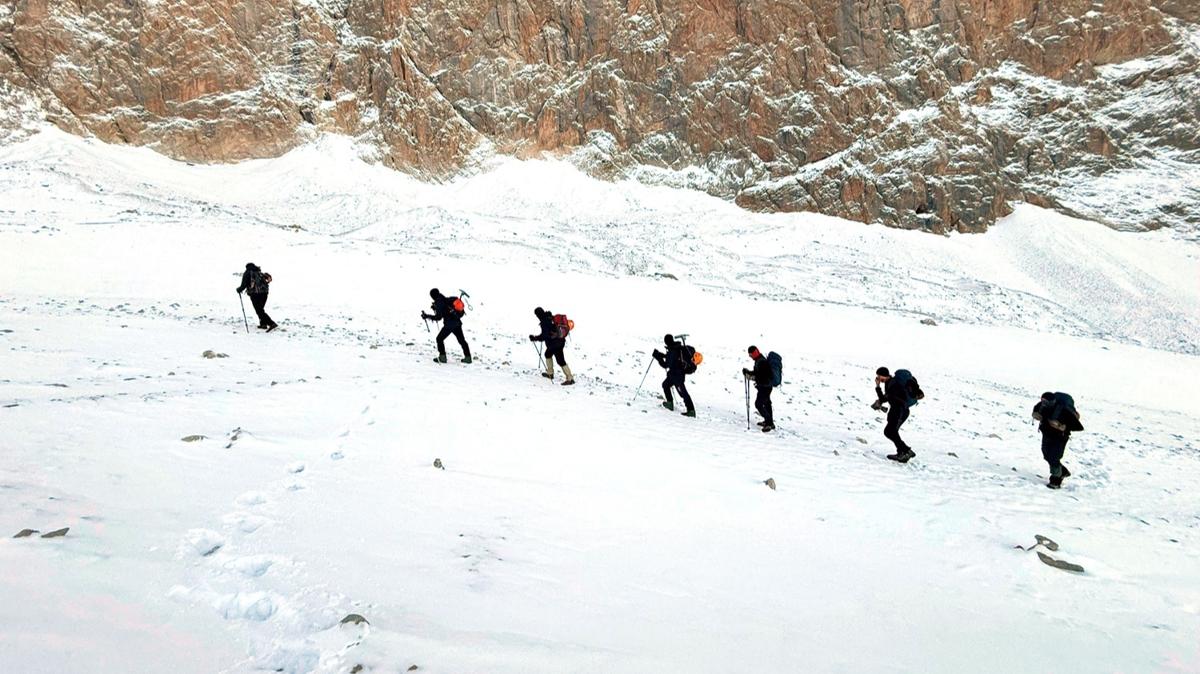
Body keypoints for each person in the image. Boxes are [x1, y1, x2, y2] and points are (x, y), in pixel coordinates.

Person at [1033, 391, 1083, 489]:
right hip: (1047, 433)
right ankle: (1062, 471)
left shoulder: (1064, 410)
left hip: (1060, 437)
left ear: (1053, 401)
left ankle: (1056, 480)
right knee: (1046, 454)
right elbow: (1036, 410)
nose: (1044, 403)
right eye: (1043, 401)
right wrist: (1035, 414)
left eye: (1046, 402)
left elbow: (1076, 426)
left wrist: (1061, 426)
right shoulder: (1042, 405)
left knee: (1054, 456)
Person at [874, 367, 915, 462]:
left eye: (879, 376)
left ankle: (906, 451)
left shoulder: (894, 384)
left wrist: (883, 397)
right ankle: (902, 452)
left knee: (890, 431)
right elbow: (885, 398)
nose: (878, 378)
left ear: (884, 375)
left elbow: (887, 398)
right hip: (898, 410)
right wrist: (878, 387)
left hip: (899, 411)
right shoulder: (890, 383)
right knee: (891, 432)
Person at [422, 288, 472, 364]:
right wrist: (436, 308)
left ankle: (442, 357)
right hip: (457, 322)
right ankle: (468, 358)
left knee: (439, 339)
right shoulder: (444, 298)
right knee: (462, 340)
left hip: (449, 325)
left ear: (432, 296)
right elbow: (445, 310)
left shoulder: (439, 302)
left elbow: (438, 317)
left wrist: (427, 316)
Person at [529, 307, 574, 385]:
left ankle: (568, 378)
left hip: (555, 344)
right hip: (560, 341)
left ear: (538, 314)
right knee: (550, 355)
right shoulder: (550, 317)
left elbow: (545, 335)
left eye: (536, 314)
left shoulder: (544, 321)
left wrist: (535, 338)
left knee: (558, 359)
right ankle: (552, 373)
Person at [653, 334, 695, 417]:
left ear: (666, 341)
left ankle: (691, 411)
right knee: (665, 385)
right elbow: (671, 359)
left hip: (677, 377)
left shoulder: (673, 350)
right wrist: (661, 355)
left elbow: (666, 365)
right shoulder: (675, 347)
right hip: (674, 375)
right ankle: (669, 403)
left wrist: (658, 358)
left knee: (683, 393)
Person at [236, 262, 277, 332]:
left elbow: (244, 284)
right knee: (261, 309)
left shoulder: (247, 272)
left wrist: (239, 289)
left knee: (259, 310)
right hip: (265, 293)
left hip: (255, 294)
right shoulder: (259, 272)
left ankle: (271, 323)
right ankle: (263, 324)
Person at [743, 346, 775, 432]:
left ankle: (769, 423)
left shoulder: (761, 361)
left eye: (751, 355)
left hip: (765, 387)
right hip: (766, 386)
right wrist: (748, 372)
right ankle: (769, 422)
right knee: (767, 403)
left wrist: (751, 376)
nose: (750, 357)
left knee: (759, 404)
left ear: (755, 352)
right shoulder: (759, 360)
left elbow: (761, 376)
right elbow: (758, 373)